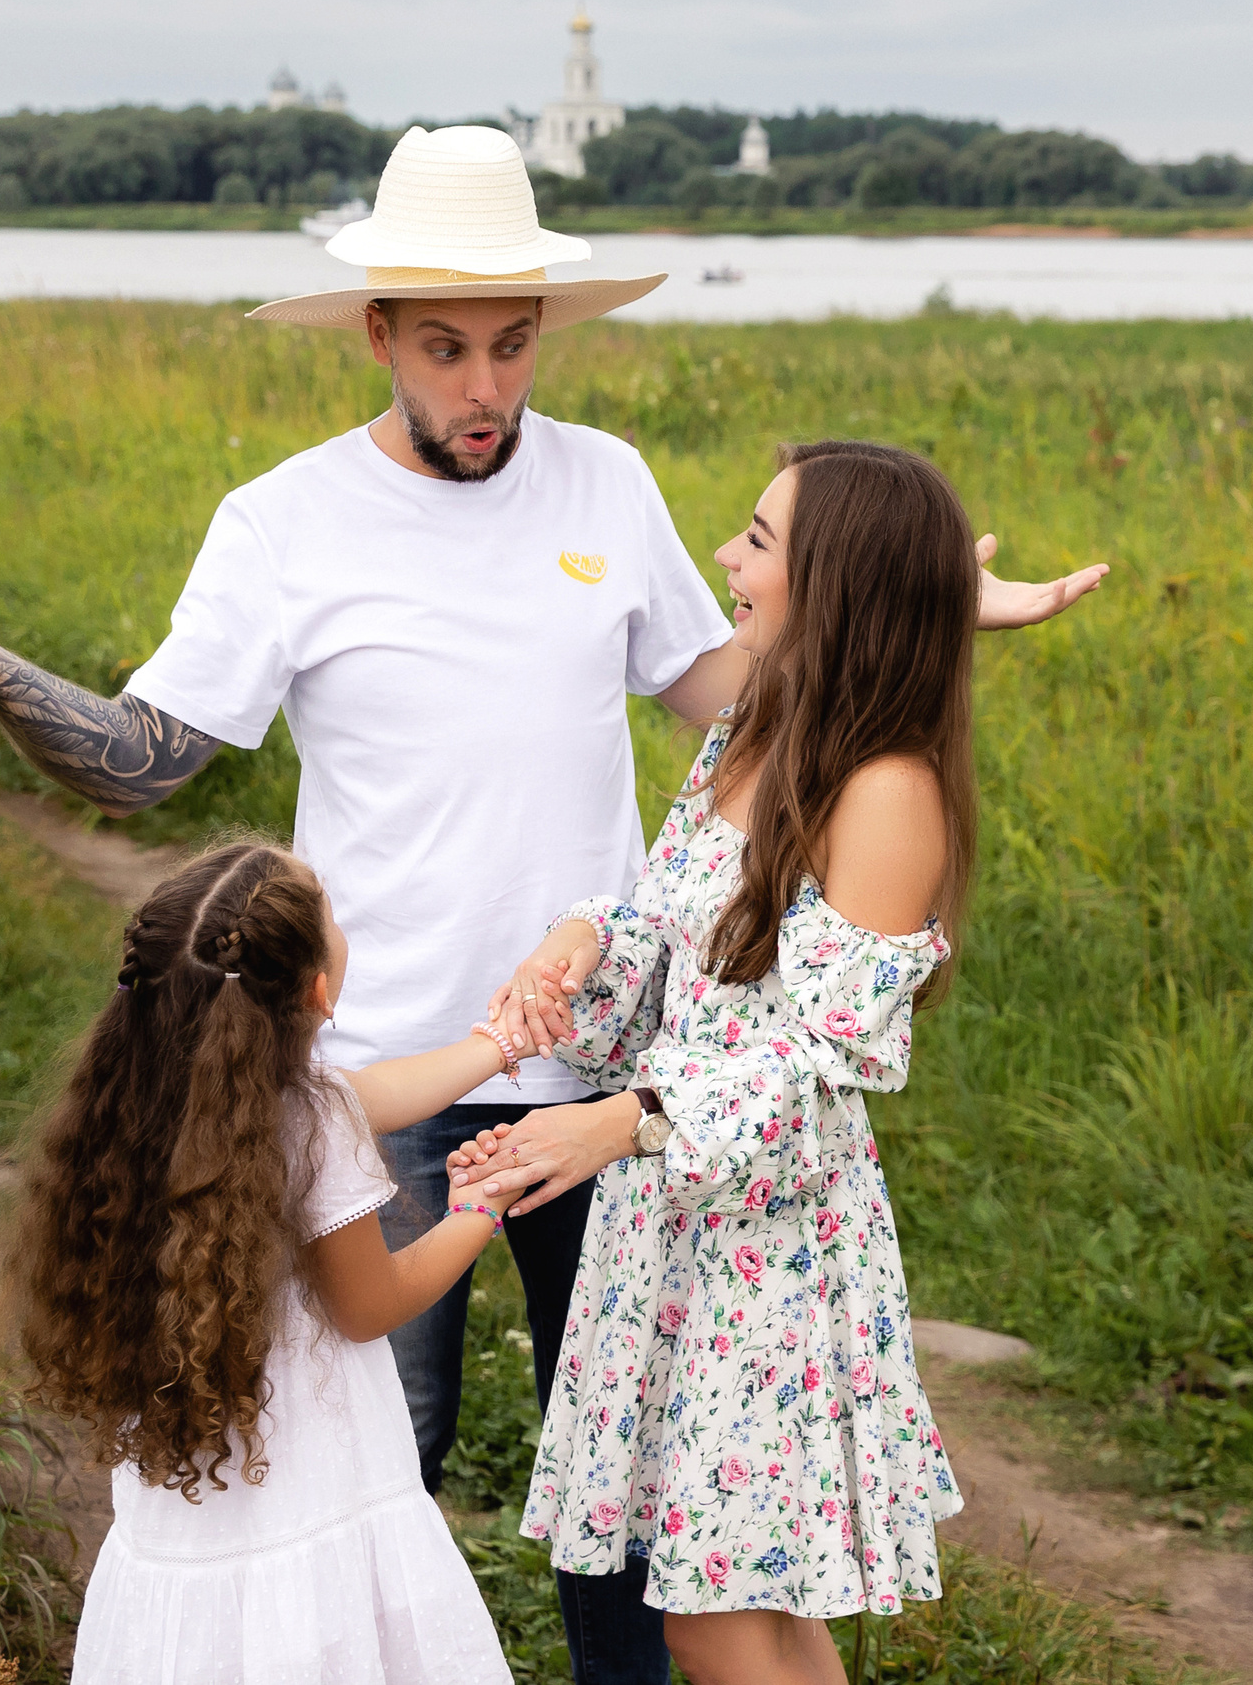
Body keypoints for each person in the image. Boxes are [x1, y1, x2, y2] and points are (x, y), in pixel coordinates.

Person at [0, 125, 1104, 1685]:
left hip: (623, 1079)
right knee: (366, 1464)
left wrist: (911, 598)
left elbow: (739, 688)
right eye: (447, 347)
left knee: (646, 1510)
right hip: (382, 1072)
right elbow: (145, 760)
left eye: (513, 344)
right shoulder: (284, 521)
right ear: (379, 334)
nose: (486, 385)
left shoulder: (607, 481)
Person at [451, 443, 980, 1685]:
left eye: (757, 540)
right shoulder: (753, 726)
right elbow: (681, 938)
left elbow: (825, 1061)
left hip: (770, 1246)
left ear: (831, 584)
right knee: (742, 1612)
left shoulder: (887, 791)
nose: (726, 558)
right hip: (671, 1221)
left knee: (717, 1617)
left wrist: (624, 1119)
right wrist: (587, 940)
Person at [0, 839, 542, 1684]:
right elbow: (369, 1305)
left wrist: (500, 1044)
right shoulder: (310, 1122)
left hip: (188, 1512)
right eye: (333, 917)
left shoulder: (139, 1105)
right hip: (313, 1482)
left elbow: (376, 1090)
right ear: (320, 991)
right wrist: (478, 1208)